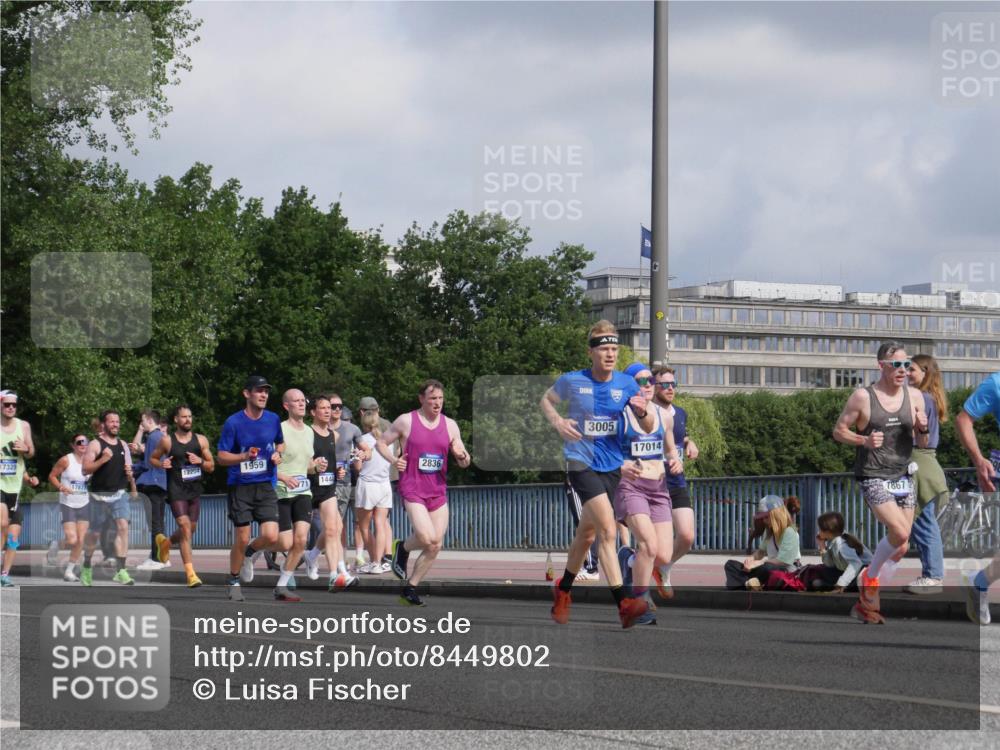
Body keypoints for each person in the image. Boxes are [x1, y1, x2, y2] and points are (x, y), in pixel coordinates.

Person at [540, 321, 653, 628]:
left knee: (586, 534)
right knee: (607, 531)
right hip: (580, 461)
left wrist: (642, 412)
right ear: (591, 352)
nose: (610, 354)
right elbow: (546, 400)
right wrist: (558, 422)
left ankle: (563, 590)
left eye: (614, 349)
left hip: (612, 466)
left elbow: (646, 425)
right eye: (604, 349)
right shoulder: (572, 380)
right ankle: (624, 604)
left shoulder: (626, 384)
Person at [833, 342, 928, 624]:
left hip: (903, 475)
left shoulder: (916, 397)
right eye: (896, 365)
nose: (903, 370)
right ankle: (870, 579)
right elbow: (839, 431)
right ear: (881, 366)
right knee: (899, 531)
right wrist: (863, 440)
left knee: (902, 545)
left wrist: (923, 427)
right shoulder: (863, 397)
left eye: (906, 364)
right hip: (873, 473)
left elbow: (923, 442)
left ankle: (865, 600)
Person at [378, 379, 472, 607]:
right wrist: (393, 460)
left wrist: (461, 456)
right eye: (432, 399)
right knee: (427, 536)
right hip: (412, 488)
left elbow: (465, 461)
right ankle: (403, 548)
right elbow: (380, 442)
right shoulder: (406, 421)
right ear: (422, 399)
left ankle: (410, 588)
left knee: (436, 544)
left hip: (437, 490)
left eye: (440, 398)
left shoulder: (450, 425)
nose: (437, 403)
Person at [614, 364, 683, 626]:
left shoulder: (664, 415)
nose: (648, 385)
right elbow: (599, 451)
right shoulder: (619, 415)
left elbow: (670, 448)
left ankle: (629, 560)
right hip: (630, 487)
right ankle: (640, 602)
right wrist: (620, 466)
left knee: (663, 555)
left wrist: (675, 460)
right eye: (641, 381)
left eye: (650, 380)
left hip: (659, 488)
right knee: (649, 546)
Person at [216, 375, 283, 602]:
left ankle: (250, 554)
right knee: (242, 537)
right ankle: (234, 580)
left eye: (266, 391)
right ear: (247, 394)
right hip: (240, 486)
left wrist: (278, 454)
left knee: (271, 536)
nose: (264, 395)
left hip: (265, 484)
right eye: (259, 390)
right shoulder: (233, 422)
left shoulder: (273, 419)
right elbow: (221, 457)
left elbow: (280, 443)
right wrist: (243, 456)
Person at [149, 404, 214, 587]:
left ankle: (166, 543)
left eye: (190, 416)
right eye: (184, 417)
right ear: (176, 420)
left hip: (194, 490)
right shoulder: (167, 441)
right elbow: (153, 458)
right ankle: (191, 574)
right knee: (185, 528)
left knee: (191, 529)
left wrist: (200, 461)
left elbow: (211, 466)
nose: (188, 420)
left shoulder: (201, 440)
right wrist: (161, 464)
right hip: (176, 490)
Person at [955, 370, 1000, 626]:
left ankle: (979, 582)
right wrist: (979, 460)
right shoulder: (996, 383)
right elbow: (964, 419)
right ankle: (979, 583)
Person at [651, 366, 700, 598]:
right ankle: (635, 575)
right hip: (652, 485)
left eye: (673, 384)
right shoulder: (646, 413)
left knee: (687, 536)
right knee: (653, 544)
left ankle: (663, 567)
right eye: (665, 385)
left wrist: (690, 443)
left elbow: (682, 436)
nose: (670, 389)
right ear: (654, 387)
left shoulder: (680, 413)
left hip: (676, 483)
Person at [905, 354, 950, 594]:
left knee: (923, 523)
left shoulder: (921, 398)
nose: (907, 373)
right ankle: (931, 574)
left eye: (911, 369)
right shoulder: (931, 398)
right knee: (922, 522)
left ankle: (932, 576)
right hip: (927, 464)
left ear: (925, 373)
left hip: (919, 464)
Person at [272, 389, 320, 601]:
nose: (302, 404)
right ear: (286, 406)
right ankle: (255, 548)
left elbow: (307, 465)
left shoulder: (309, 431)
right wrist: (283, 477)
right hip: (281, 491)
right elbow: (266, 463)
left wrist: (316, 466)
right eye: (296, 401)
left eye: (303, 400)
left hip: (303, 491)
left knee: (300, 540)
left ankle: (281, 586)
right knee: (284, 543)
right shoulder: (279, 430)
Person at [81, 410, 137, 586]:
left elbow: (129, 469)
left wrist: (131, 479)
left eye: (117, 421)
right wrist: (103, 459)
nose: (115, 424)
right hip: (99, 496)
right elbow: (85, 469)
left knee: (123, 527)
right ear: (103, 424)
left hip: (119, 494)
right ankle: (86, 566)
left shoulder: (123, 445)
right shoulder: (95, 445)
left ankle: (121, 571)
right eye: (112, 421)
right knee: (94, 533)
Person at [724, 495, 800, 590]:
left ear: (777, 515)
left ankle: (743, 583)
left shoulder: (790, 532)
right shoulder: (769, 532)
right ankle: (749, 584)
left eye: (766, 517)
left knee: (767, 568)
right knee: (730, 565)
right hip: (768, 567)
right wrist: (751, 559)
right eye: (763, 518)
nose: (764, 521)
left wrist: (759, 562)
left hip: (785, 570)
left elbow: (783, 561)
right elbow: (760, 552)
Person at [0, 390, 35, 587]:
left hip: (15, 487)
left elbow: (31, 453)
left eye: (14, 405)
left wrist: (26, 449)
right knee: (2, 522)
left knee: (13, 536)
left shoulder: (24, 426)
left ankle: (4, 575)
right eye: (7, 404)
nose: (11, 407)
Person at [47, 434, 92, 582]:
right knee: (72, 540)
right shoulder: (66, 460)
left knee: (81, 540)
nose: (83, 444)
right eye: (79, 442)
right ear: (73, 445)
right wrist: (61, 487)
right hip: (68, 504)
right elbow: (52, 476)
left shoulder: (90, 462)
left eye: (85, 442)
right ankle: (56, 545)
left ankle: (69, 571)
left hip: (84, 503)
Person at [356, 407, 395, 573]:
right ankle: (378, 563)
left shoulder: (362, 441)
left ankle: (372, 561)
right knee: (381, 524)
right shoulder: (388, 442)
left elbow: (358, 467)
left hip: (367, 485)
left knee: (364, 527)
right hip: (384, 485)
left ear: (364, 424)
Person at [132, 409, 170, 571]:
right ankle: (162, 557)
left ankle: (156, 558)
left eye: (143, 421)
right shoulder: (161, 436)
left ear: (149, 420)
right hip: (161, 483)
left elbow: (148, 463)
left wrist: (133, 468)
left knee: (154, 523)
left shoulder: (153, 437)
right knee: (159, 522)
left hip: (152, 484)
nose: (142, 424)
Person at [797, 511, 872, 592]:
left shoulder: (841, 544)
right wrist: (822, 547)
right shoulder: (833, 540)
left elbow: (856, 564)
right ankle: (829, 585)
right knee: (824, 571)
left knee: (818, 581)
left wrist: (841, 583)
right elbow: (830, 564)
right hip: (849, 572)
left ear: (827, 532)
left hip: (864, 574)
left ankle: (837, 586)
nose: (818, 532)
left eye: (820, 529)